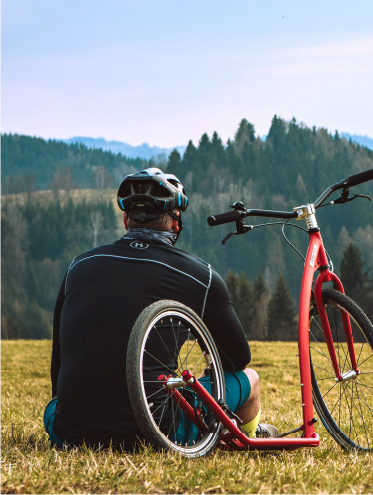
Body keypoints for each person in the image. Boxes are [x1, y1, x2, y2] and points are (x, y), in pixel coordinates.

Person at [45, 167, 277, 448]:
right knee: (249, 380)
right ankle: (246, 438)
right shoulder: (199, 276)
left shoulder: (78, 267)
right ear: (176, 223)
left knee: (56, 406)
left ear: (125, 220)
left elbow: (59, 361)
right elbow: (237, 359)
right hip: (155, 432)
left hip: (67, 431)